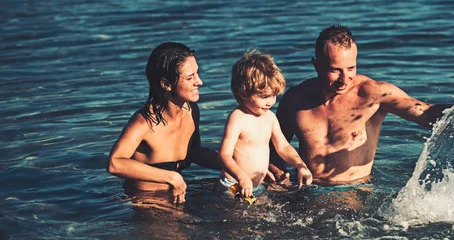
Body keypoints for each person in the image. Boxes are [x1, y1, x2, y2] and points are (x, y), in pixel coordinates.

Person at [270, 25, 454, 185]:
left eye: (351, 68)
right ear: (316, 65)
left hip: (355, 191)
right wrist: (280, 179)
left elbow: (426, 114)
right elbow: (275, 149)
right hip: (309, 191)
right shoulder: (295, 100)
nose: (344, 79)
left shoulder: (373, 94)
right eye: (335, 70)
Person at [107, 42, 220, 203]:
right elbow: (114, 163)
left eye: (197, 74)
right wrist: (171, 177)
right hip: (147, 202)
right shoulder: (144, 123)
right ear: (166, 84)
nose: (199, 82)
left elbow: (194, 152)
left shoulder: (191, 111)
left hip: (179, 195)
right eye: (190, 78)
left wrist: (234, 165)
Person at [218, 50, 313, 200]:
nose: (270, 102)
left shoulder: (269, 117)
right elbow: (224, 155)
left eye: (274, 95)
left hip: (256, 185)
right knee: (242, 218)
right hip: (234, 184)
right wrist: (242, 177)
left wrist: (300, 165)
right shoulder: (237, 118)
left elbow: (283, 146)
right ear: (243, 94)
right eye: (264, 97)